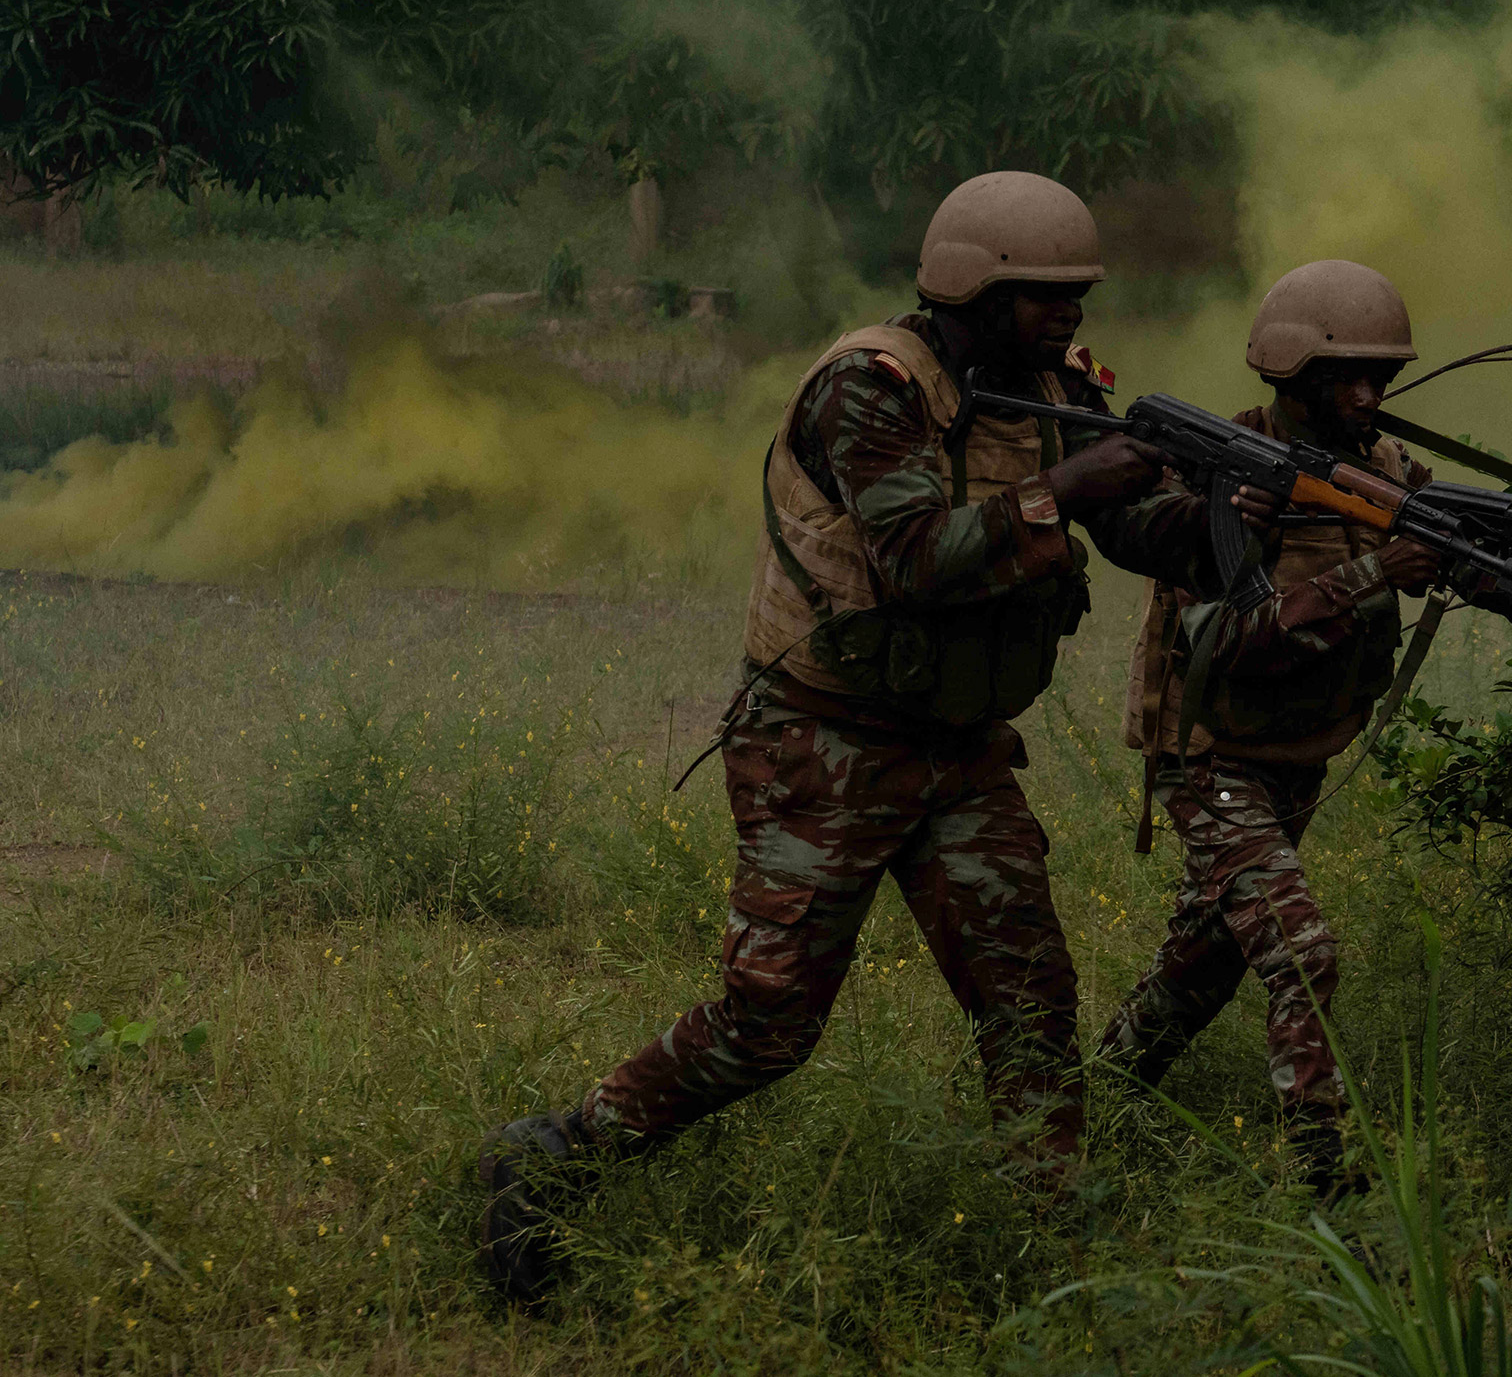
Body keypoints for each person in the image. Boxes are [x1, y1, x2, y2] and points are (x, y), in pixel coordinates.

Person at [479, 171, 1255, 1303]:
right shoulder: (873, 386)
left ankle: (1067, 1267)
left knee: (1029, 997)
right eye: (1044, 295)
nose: (1069, 315)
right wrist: (1070, 487)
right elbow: (915, 559)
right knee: (768, 1025)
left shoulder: (1056, 389)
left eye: (1077, 293)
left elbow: (1142, 532)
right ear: (970, 288)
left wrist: (1242, 509)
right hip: (821, 744)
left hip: (958, 751)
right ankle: (553, 1157)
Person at [1101, 259, 1512, 1193]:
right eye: (1344, 377)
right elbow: (1223, 642)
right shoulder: (1224, 479)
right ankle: (1326, 1188)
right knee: (1301, 955)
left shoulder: (1394, 475)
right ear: (1292, 377)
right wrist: (1375, 571)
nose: (1366, 395)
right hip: (1209, 758)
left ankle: (1095, 1098)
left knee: (1205, 963)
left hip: (1296, 759)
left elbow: (1495, 587)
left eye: (1377, 376)